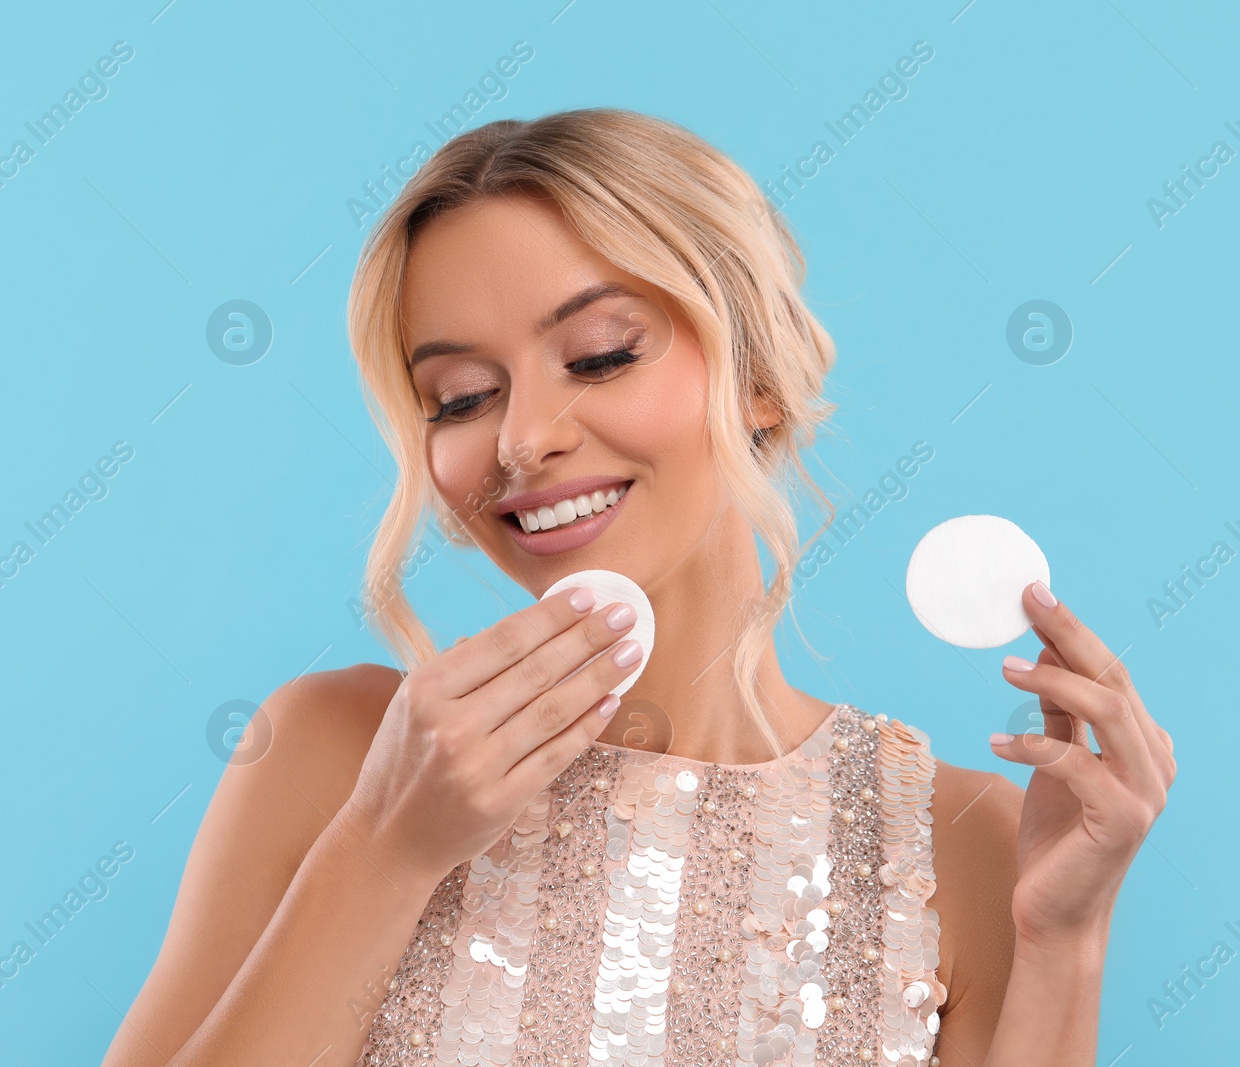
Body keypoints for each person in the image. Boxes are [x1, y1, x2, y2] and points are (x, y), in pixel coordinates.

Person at [100, 108, 1175, 1067]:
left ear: (755, 377)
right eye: (462, 396)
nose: (523, 439)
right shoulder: (333, 750)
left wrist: (1065, 941)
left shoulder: (959, 834)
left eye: (602, 355)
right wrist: (388, 844)